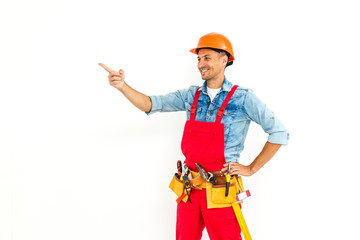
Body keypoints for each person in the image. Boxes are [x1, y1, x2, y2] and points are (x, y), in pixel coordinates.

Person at [99, 32, 289, 240]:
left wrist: (251, 168)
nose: (200, 64)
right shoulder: (191, 95)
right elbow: (152, 104)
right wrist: (122, 87)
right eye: (198, 59)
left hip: (221, 191)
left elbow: (279, 133)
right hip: (189, 189)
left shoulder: (243, 98)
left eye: (207, 57)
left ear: (224, 59)